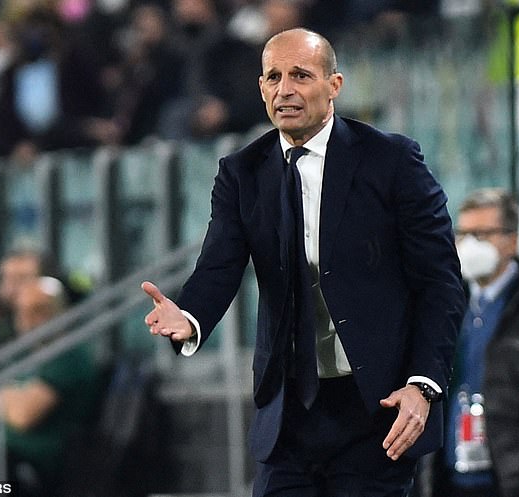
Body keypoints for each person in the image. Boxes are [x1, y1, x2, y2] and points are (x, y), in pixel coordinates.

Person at [142, 28, 465, 497]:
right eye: (274, 77)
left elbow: (440, 282)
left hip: (377, 408)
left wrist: (424, 383)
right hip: (288, 414)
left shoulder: (391, 160)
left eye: (301, 75)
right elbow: (219, 266)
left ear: (334, 85)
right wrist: (189, 317)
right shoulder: (241, 172)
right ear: (261, 89)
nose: (285, 90)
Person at [416, 187, 519, 497]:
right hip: (450, 478)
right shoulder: (444, 304)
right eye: (463, 233)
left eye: (483, 234)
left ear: (512, 241)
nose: (470, 244)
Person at [0, 277, 99, 495]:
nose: (29, 319)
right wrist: (8, 401)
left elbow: (23, 414)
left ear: (61, 311)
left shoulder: (68, 354)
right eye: (22, 312)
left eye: (39, 310)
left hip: (30, 468)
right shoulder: (24, 354)